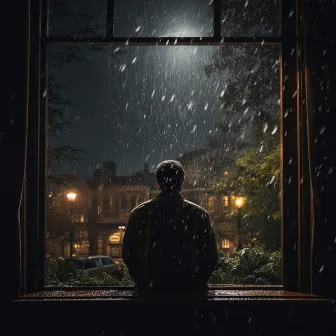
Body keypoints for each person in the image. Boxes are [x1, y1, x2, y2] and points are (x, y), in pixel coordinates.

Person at [122, 160, 218, 296]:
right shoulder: (198, 214)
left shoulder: (139, 213)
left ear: (158, 181)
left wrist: (144, 281)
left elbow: (128, 254)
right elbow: (210, 256)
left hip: (151, 295)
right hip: (189, 295)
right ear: (182, 181)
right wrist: (196, 282)